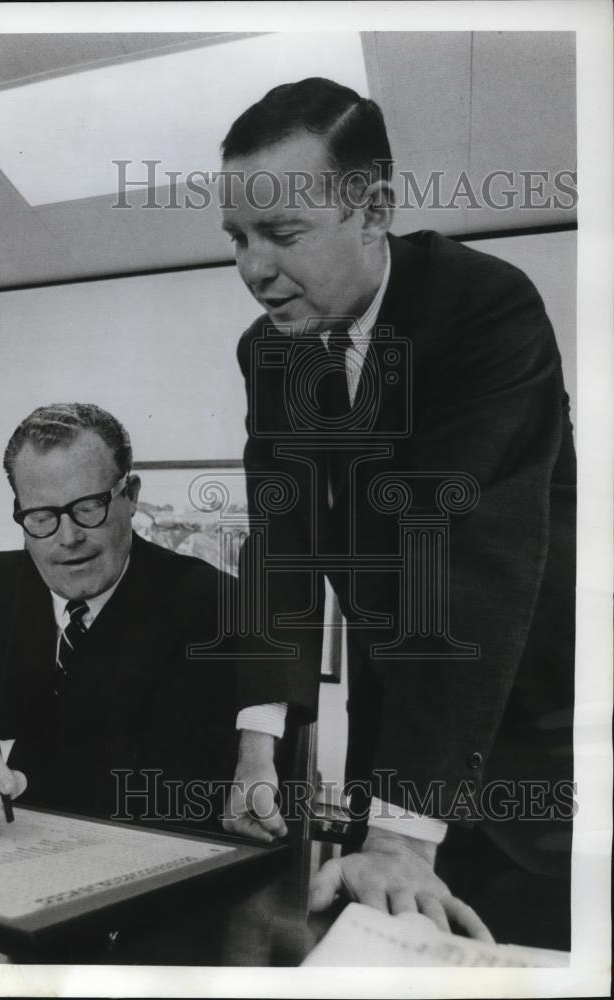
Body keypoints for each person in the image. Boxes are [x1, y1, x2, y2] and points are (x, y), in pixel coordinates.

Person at [219, 78, 575, 949]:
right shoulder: (272, 353)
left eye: (282, 233)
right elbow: (282, 548)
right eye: (236, 238)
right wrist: (258, 742)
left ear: (373, 210)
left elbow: (454, 552)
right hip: (399, 729)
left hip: (527, 737)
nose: (253, 269)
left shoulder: (482, 305)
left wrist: (401, 832)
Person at [0, 403, 237, 836]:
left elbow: (175, 783)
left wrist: (8, 759)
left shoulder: (209, 601)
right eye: (42, 516)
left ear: (132, 494)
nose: (69, 538)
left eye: (88, 507)